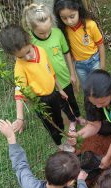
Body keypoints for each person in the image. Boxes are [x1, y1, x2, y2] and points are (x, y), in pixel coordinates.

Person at [0, 119, 90, 188]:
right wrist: (81, 181)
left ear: (46, 171)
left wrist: (11, 138)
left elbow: (20, 167)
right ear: (70, 182)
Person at [0, 24, 74, 152]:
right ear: (13, 55)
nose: (27, 57)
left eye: (28, 52)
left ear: (29, 39)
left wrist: (59, 89)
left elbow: (51, 71)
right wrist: (20, 117)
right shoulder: (19, 67)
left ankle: (63, 136)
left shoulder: (41, 51)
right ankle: (59, 144)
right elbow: (19, 92)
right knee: (51, 125)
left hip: (53, 94)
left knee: (58, 119)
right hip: (40, 101)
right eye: (21, 57)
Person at [22, 3, 86, 132]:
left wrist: (72, 73)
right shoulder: (29, 41)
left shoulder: (57, 33)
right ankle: (72, 120)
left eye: (48, 30)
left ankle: (78, 116)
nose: (46, 35)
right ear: (31, 28)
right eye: (41, 33)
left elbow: (67, 53)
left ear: (51, 21)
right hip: (48, 83)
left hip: (63, 76)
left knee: (71, 98)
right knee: (62, 103)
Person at [53, 0, 105, 89]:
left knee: (99, 87)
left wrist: (102, 65)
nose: (69, 21)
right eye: (64, 18)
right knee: (86, 89)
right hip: (79, 66)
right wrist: (72, 72)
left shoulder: (90, 25)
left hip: (94, 62)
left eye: (72, 16)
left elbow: (100, 45)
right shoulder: (63, 30)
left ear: (79, 10)